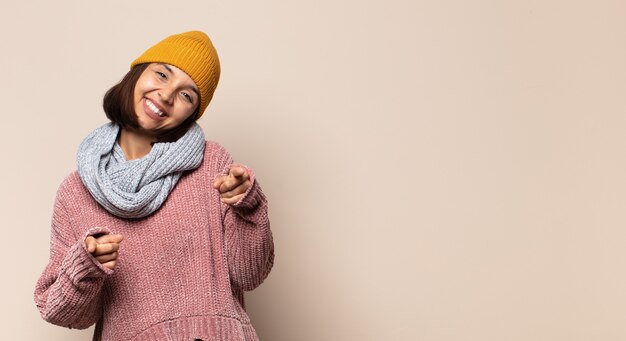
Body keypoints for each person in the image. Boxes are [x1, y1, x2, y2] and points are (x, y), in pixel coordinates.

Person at [34, 31, 274, 341]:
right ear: (136, 73)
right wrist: (86, 266)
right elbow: (64, 313)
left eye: (187, 95)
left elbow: (249, 274)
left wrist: (248, 205)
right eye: (161, 74)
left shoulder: (212, 164)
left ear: (192, 113)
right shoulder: (75, 192)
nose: (166, 95)